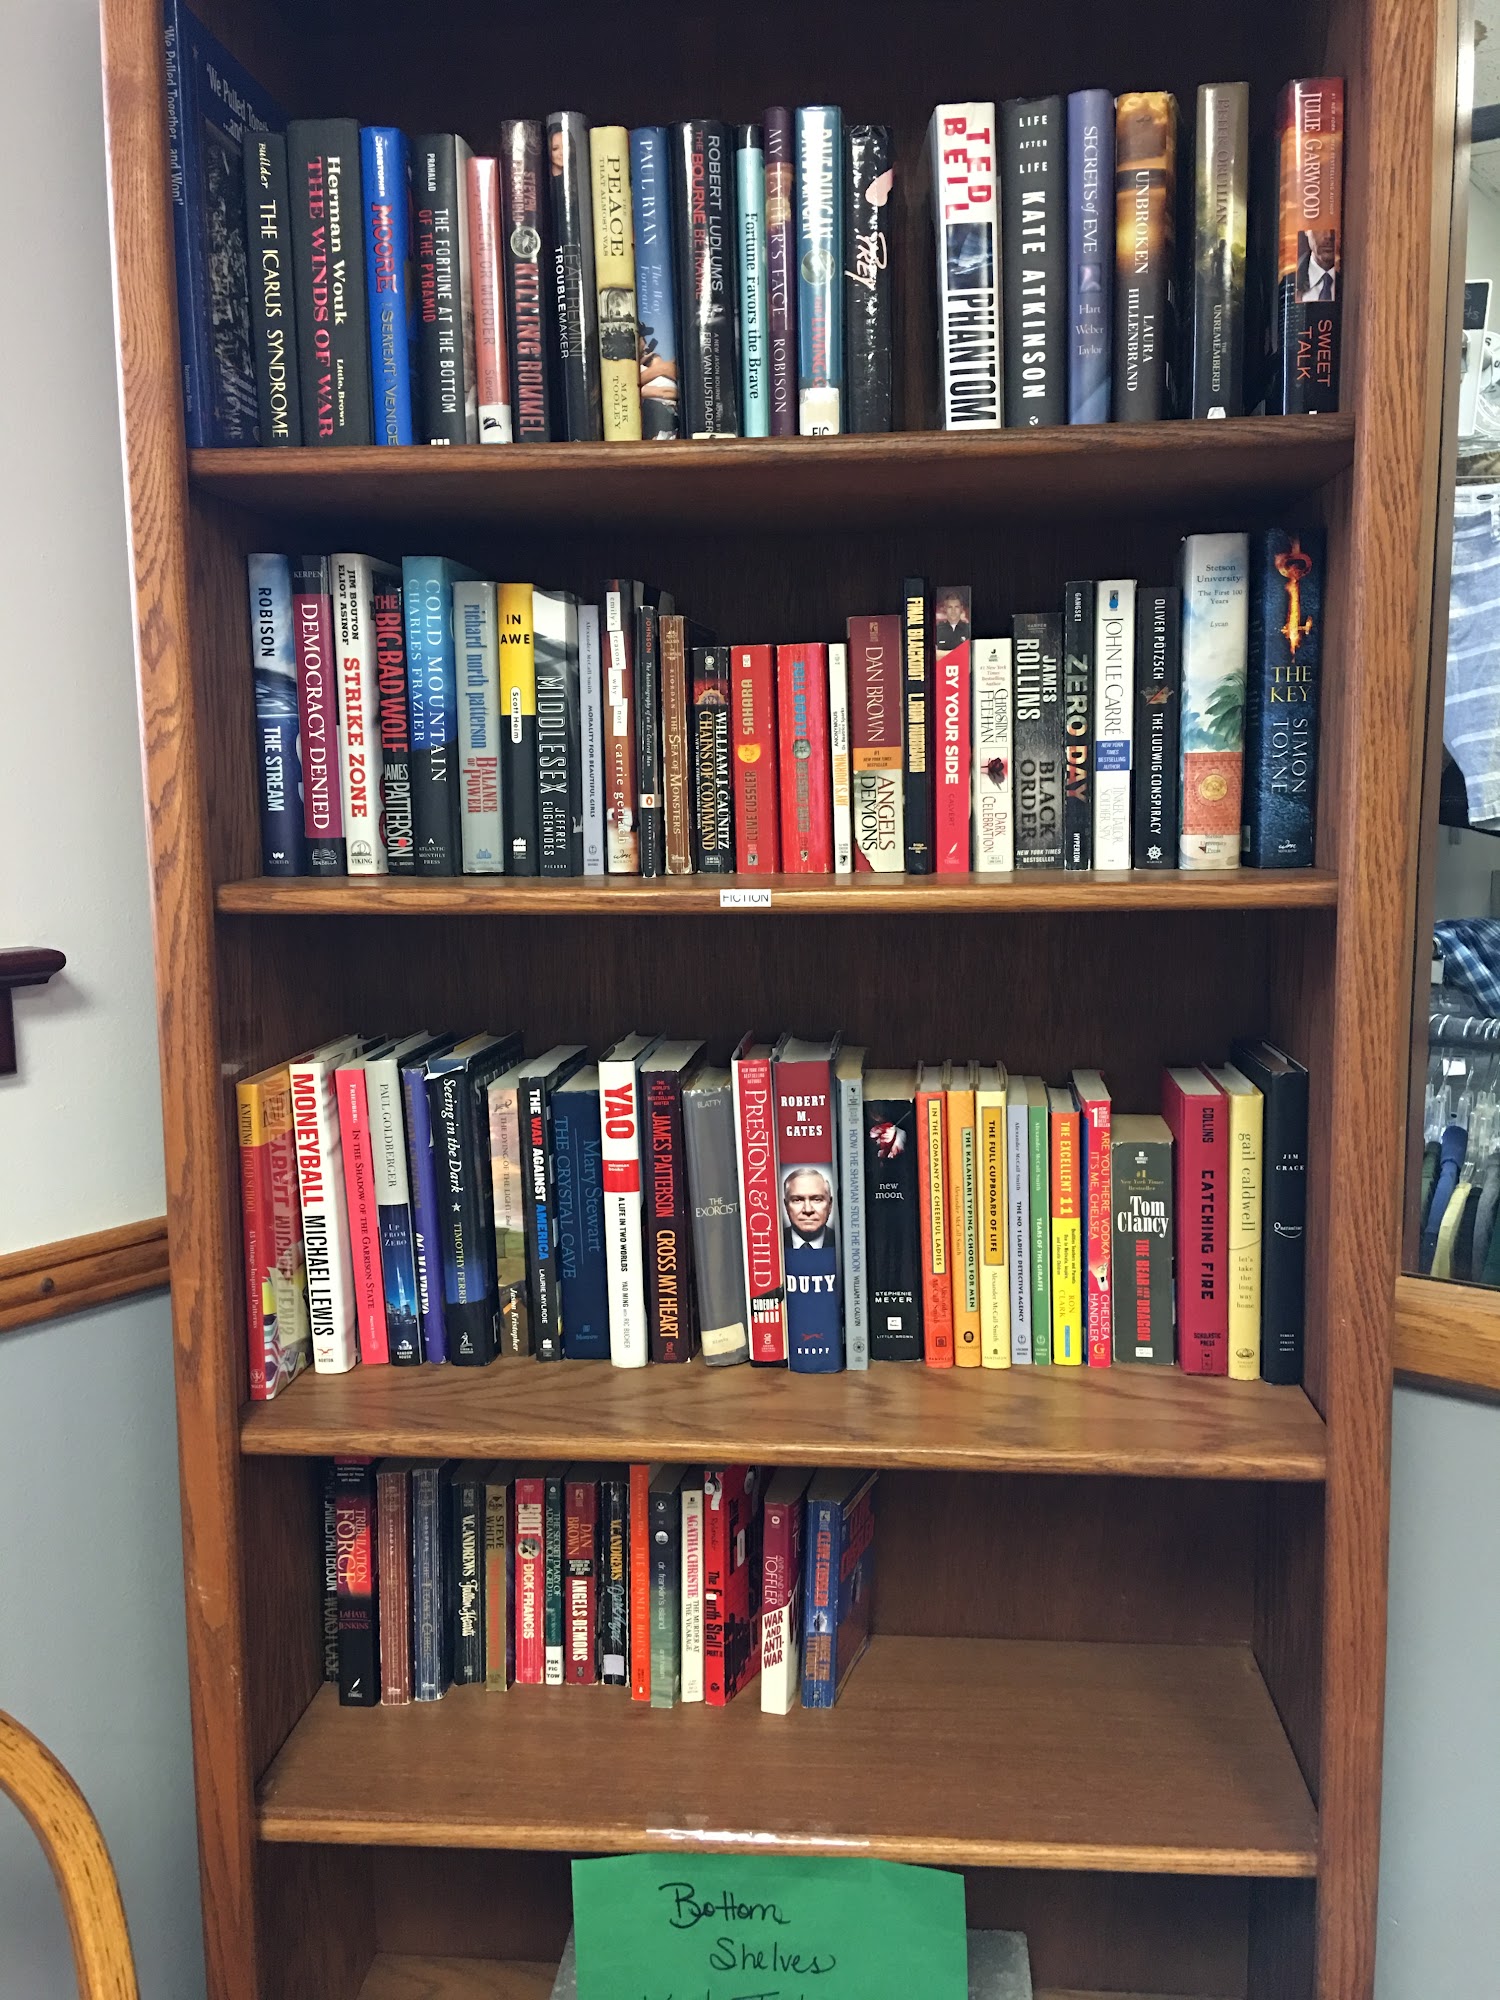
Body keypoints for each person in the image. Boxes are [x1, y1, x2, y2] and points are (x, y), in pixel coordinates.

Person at [1297, 229, 1338, 303]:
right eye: (1320, 226)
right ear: (1306, 230)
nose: (1329, 235)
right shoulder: (1289, 280)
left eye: (1335, 226)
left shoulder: (1354, 280)